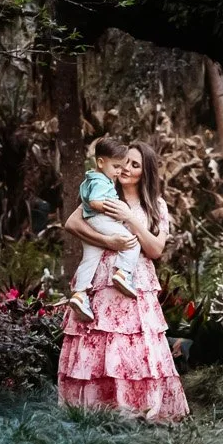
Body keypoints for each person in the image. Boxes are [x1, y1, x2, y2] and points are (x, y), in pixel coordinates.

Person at [57, 141, 190, 421]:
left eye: (134, 165)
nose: (126, 169)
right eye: (124, 162)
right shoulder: (104, 191)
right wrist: (108, 240)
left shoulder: (156, 206)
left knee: (134, 348)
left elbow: (155, 249)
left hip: (134, 284)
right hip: (100, 282)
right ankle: (95, 413)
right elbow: (71, 223)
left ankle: (136, 412)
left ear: (146, 172)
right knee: (99, 341)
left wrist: (131, 219)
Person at [66, 136, 140, 310]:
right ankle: (123, 273)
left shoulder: (91, 179)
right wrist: (114, 208)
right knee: (131, 243)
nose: (120, 171)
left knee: (90, 258)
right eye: (116, 167)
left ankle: (79, 293)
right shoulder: (100, 181)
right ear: (100, 162)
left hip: (91, 221)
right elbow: (93, 201)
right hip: (101, 219)